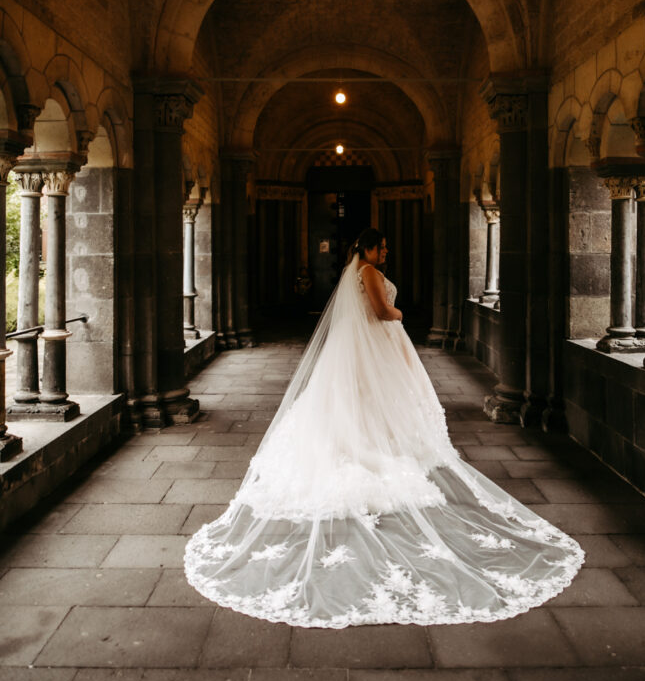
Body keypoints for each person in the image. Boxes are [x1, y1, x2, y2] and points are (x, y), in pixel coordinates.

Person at [185, 228, 584, 627]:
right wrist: (401, 314)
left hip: (362, 345)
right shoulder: (369, 272)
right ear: (368, 248)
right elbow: (379, 311)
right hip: (374, 343)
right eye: (383, 247)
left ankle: (358, 444)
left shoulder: (356, 271)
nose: (387, 251)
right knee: (372, 400)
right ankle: (370, 451)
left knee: (359, 402)